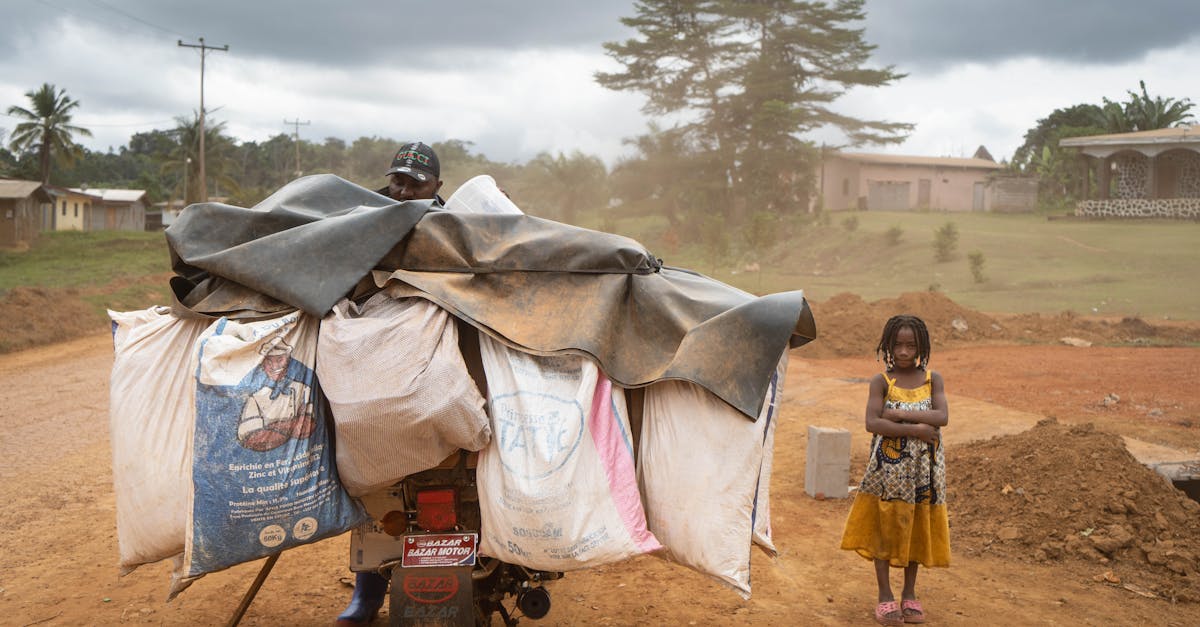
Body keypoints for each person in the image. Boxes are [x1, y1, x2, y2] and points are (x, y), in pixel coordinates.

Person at [336, 140, 444, 627]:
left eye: (415, 184)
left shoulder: (458, 221)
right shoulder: (366, 218)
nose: (402, 192)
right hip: (383, 336)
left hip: (442, 332)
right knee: (370, 469)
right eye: (397, 181)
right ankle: (368, 594)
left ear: (437, 187)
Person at [839, 314, 950, 626]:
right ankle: (885, 595)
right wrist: (916, 429)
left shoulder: (933, 380)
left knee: (916, 526)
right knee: (886, 528)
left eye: (910, 345)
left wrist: (897, 414)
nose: (903, 351)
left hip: (924, 472)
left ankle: (910, 593)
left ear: (921, 347)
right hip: (887, 474)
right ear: (888, 346)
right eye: (897, 345)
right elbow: (872, 423)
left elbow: (942, 417)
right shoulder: (881, 382)